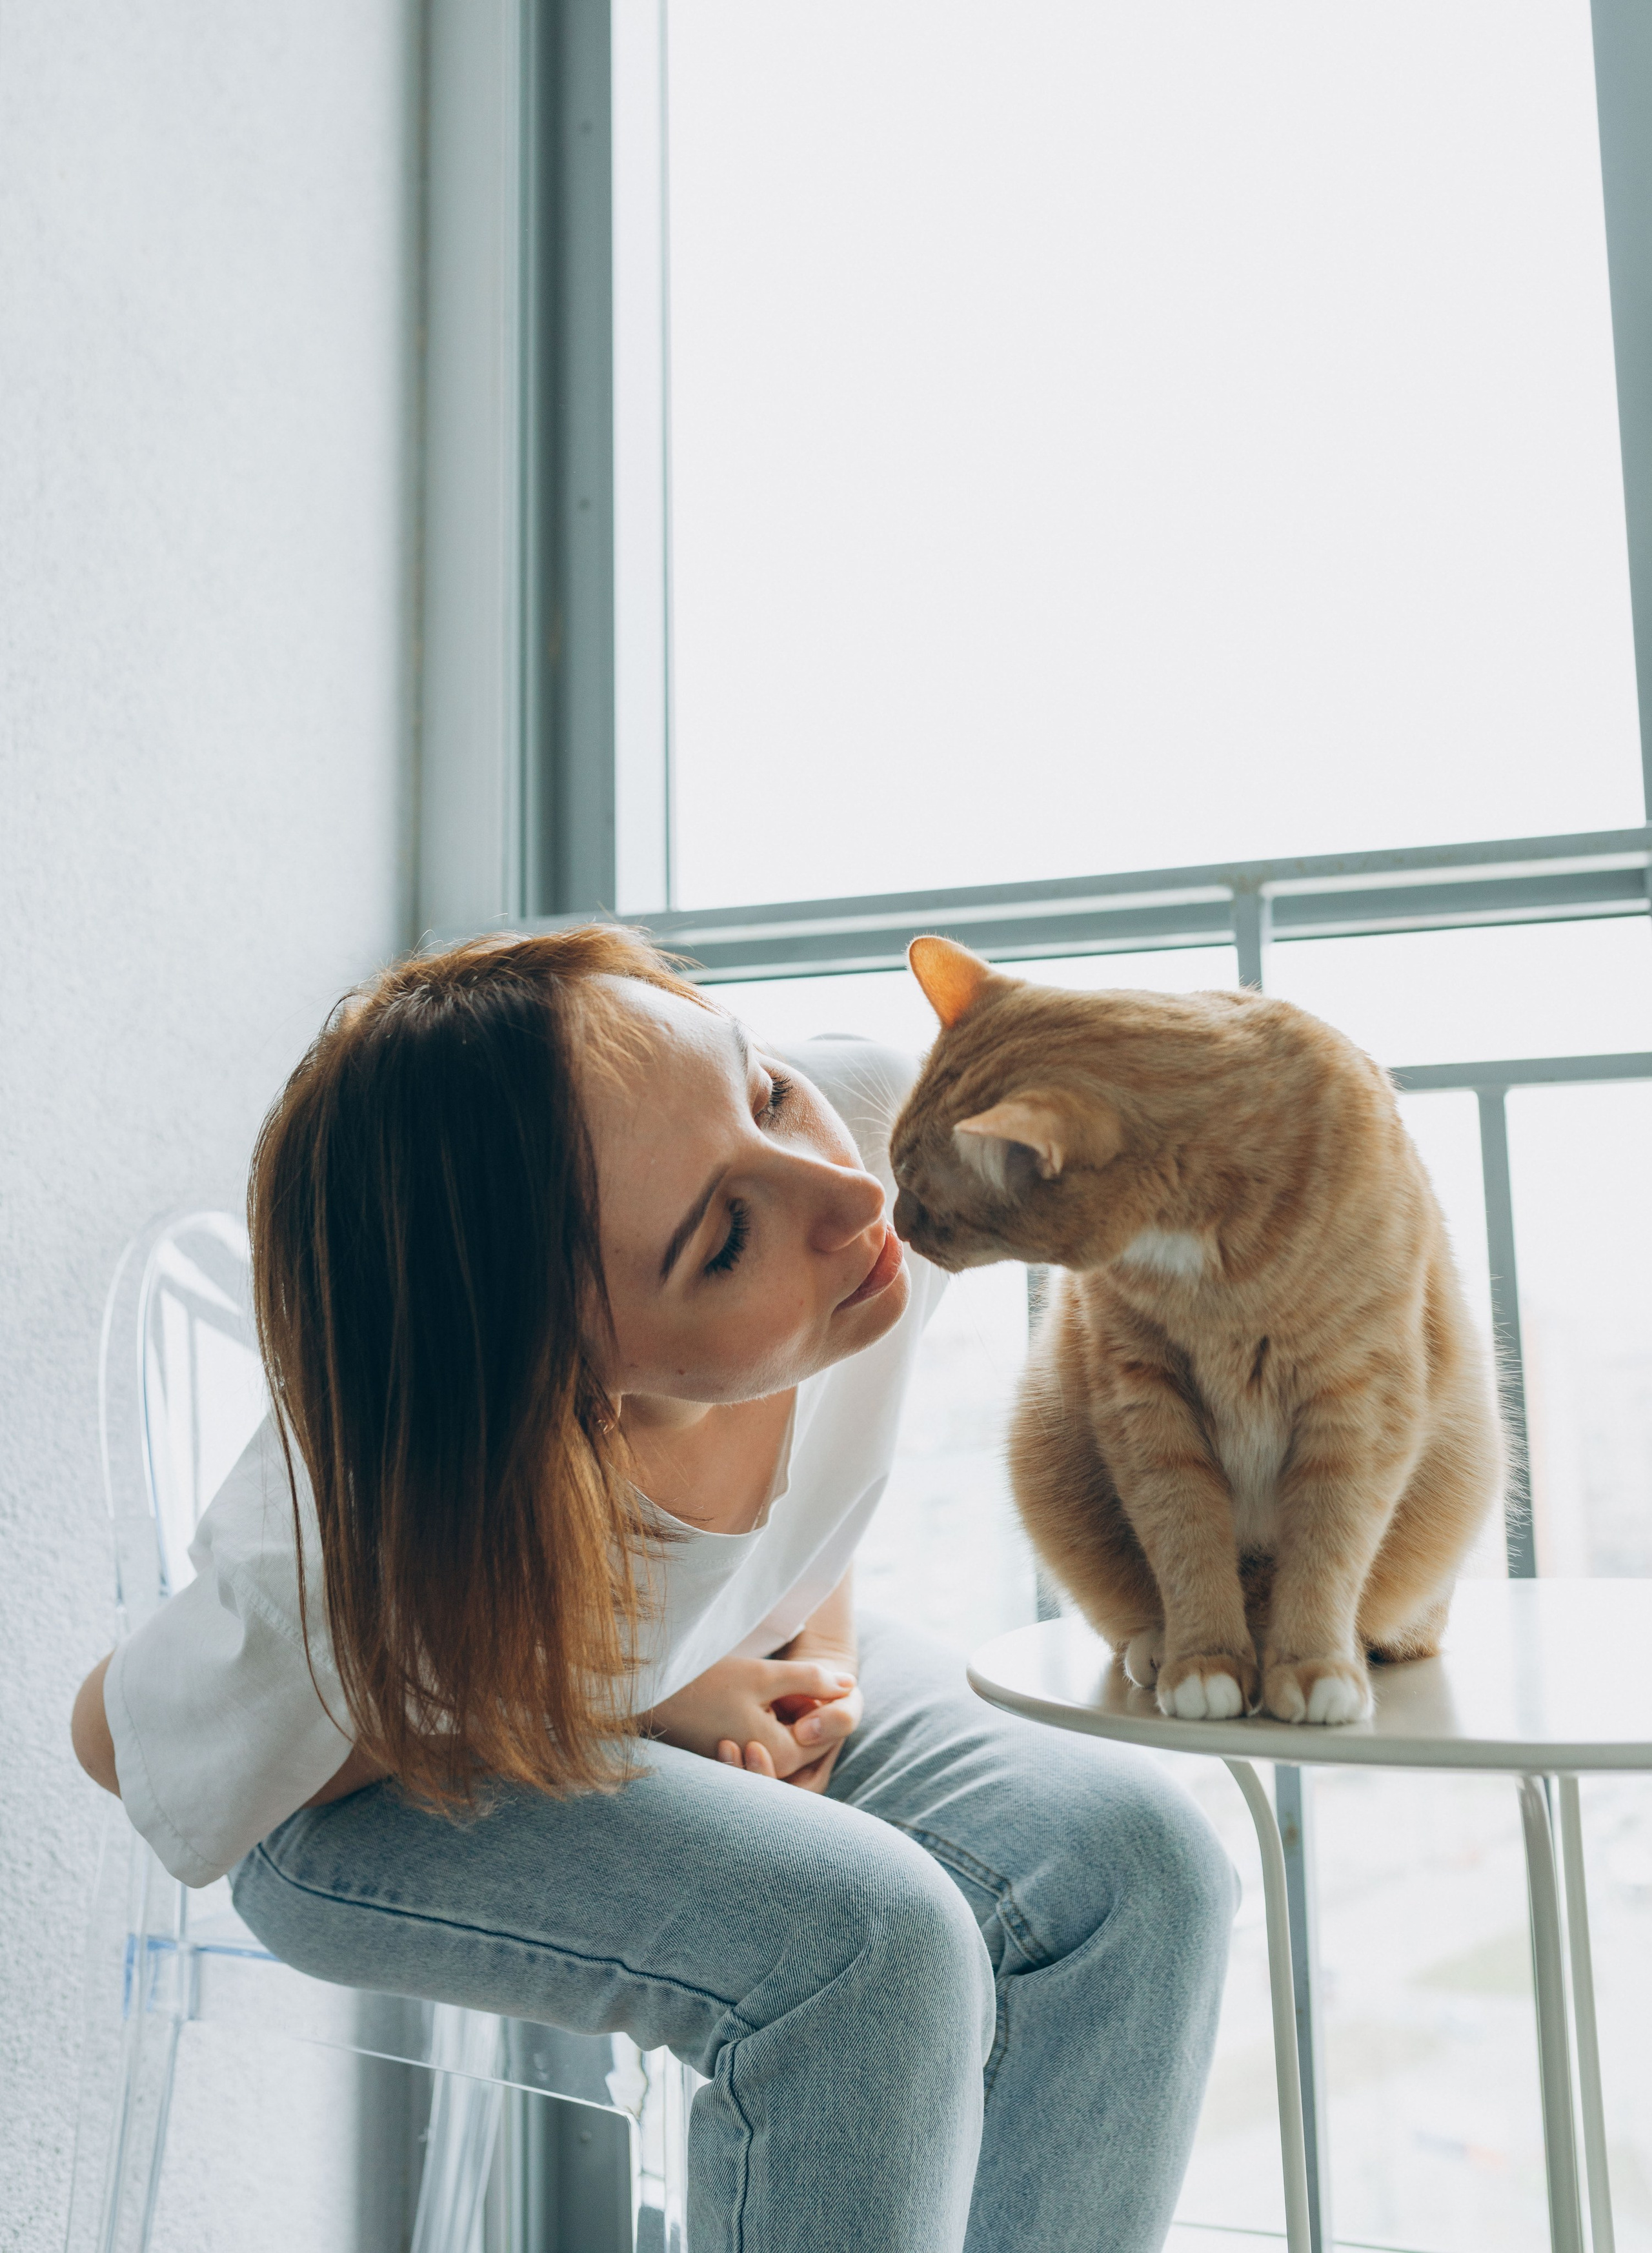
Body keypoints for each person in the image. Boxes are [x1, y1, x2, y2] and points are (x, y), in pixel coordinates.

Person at [71, 926, 1236, 2252]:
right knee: (866, 1949)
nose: (845, 1200)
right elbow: (118, 1738)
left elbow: (820, 1473)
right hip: (368, 1785)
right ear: (565, 1383)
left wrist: (809, 1665)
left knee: (1141, 1868)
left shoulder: (873, 1129)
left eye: (763, 1091)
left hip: (690, 1652)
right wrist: (621, 1689)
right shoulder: (346, 1568)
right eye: (725, 1237)